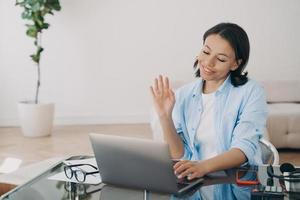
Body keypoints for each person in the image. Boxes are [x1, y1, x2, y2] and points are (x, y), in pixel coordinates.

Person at [150, 23, 268, 183]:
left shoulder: (251, 91)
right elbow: (178, 154)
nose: (208, 62)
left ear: (235, 64)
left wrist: (202, 167)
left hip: (236, 183)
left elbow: (244, 148)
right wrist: (165, 117)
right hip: (194, 182)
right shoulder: (183, 94)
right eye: (206, 52)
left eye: (220, 59)